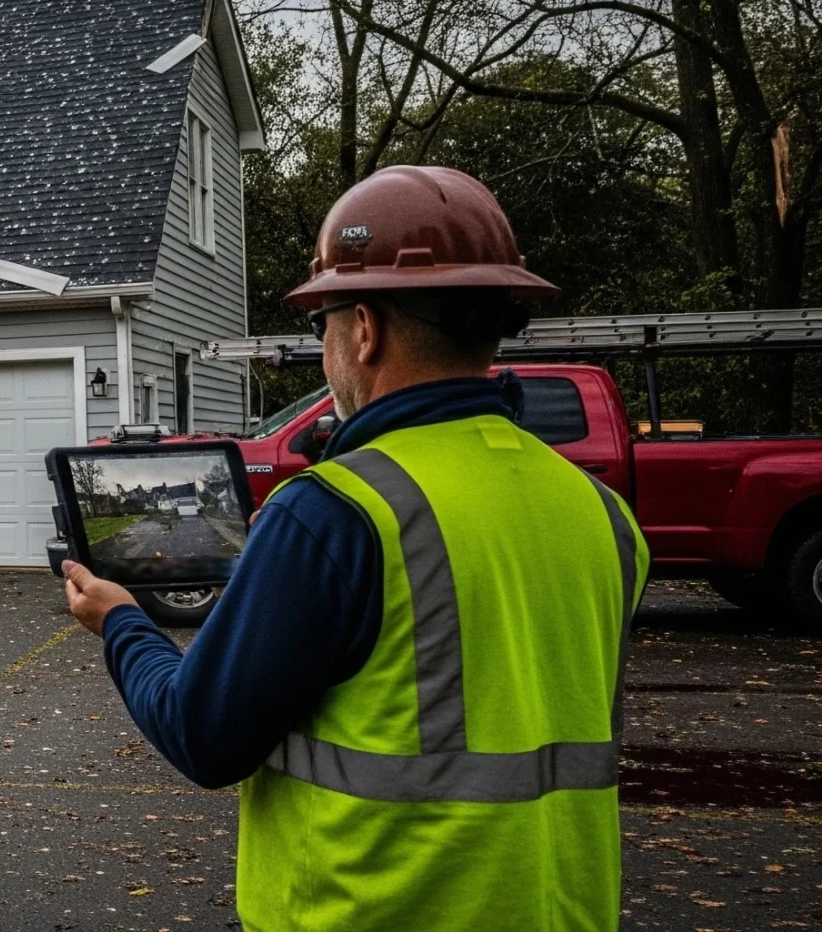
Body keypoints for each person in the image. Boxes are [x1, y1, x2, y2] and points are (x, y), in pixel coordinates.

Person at [61, 165, 645, 931]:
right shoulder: (599, 511)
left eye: (323, 322)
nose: (328, 342)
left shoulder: (335, 513)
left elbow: (202, 735)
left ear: (364, 329)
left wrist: (123, 623)